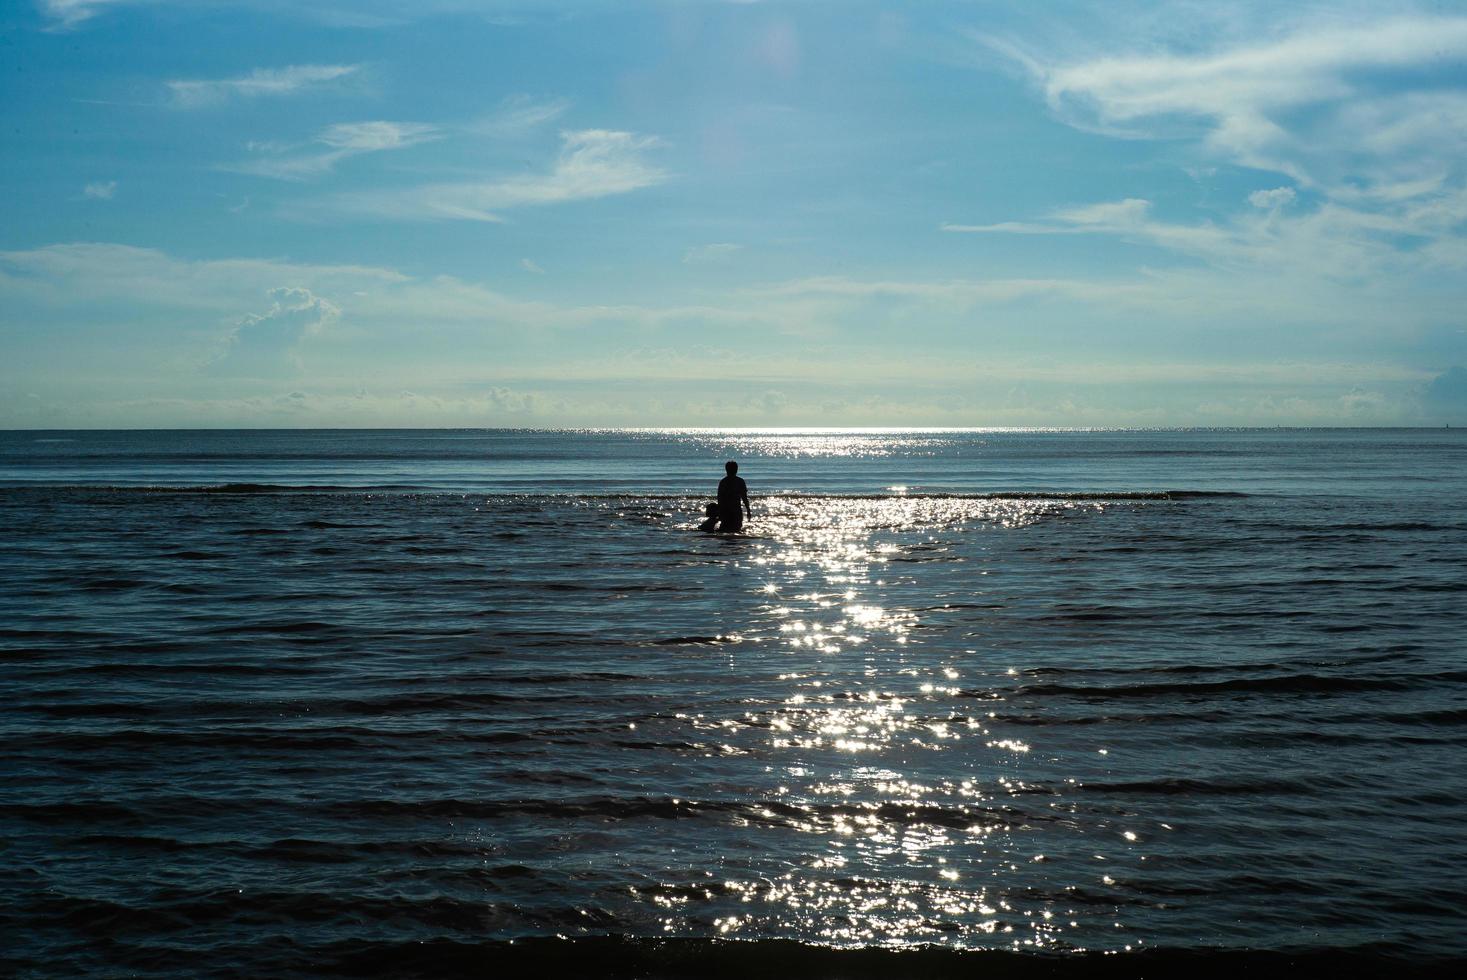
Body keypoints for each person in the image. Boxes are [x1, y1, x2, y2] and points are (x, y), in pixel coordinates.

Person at [717, 460, 751, 533]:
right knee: (736, 528)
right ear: (736, 470)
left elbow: (719, 498)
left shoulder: (723, 481)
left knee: (725, 529)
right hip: (735, 509)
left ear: (726, 470)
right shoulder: (740, 481)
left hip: (726, 509)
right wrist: (748, 509)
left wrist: (720, 511)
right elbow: (744, 497)